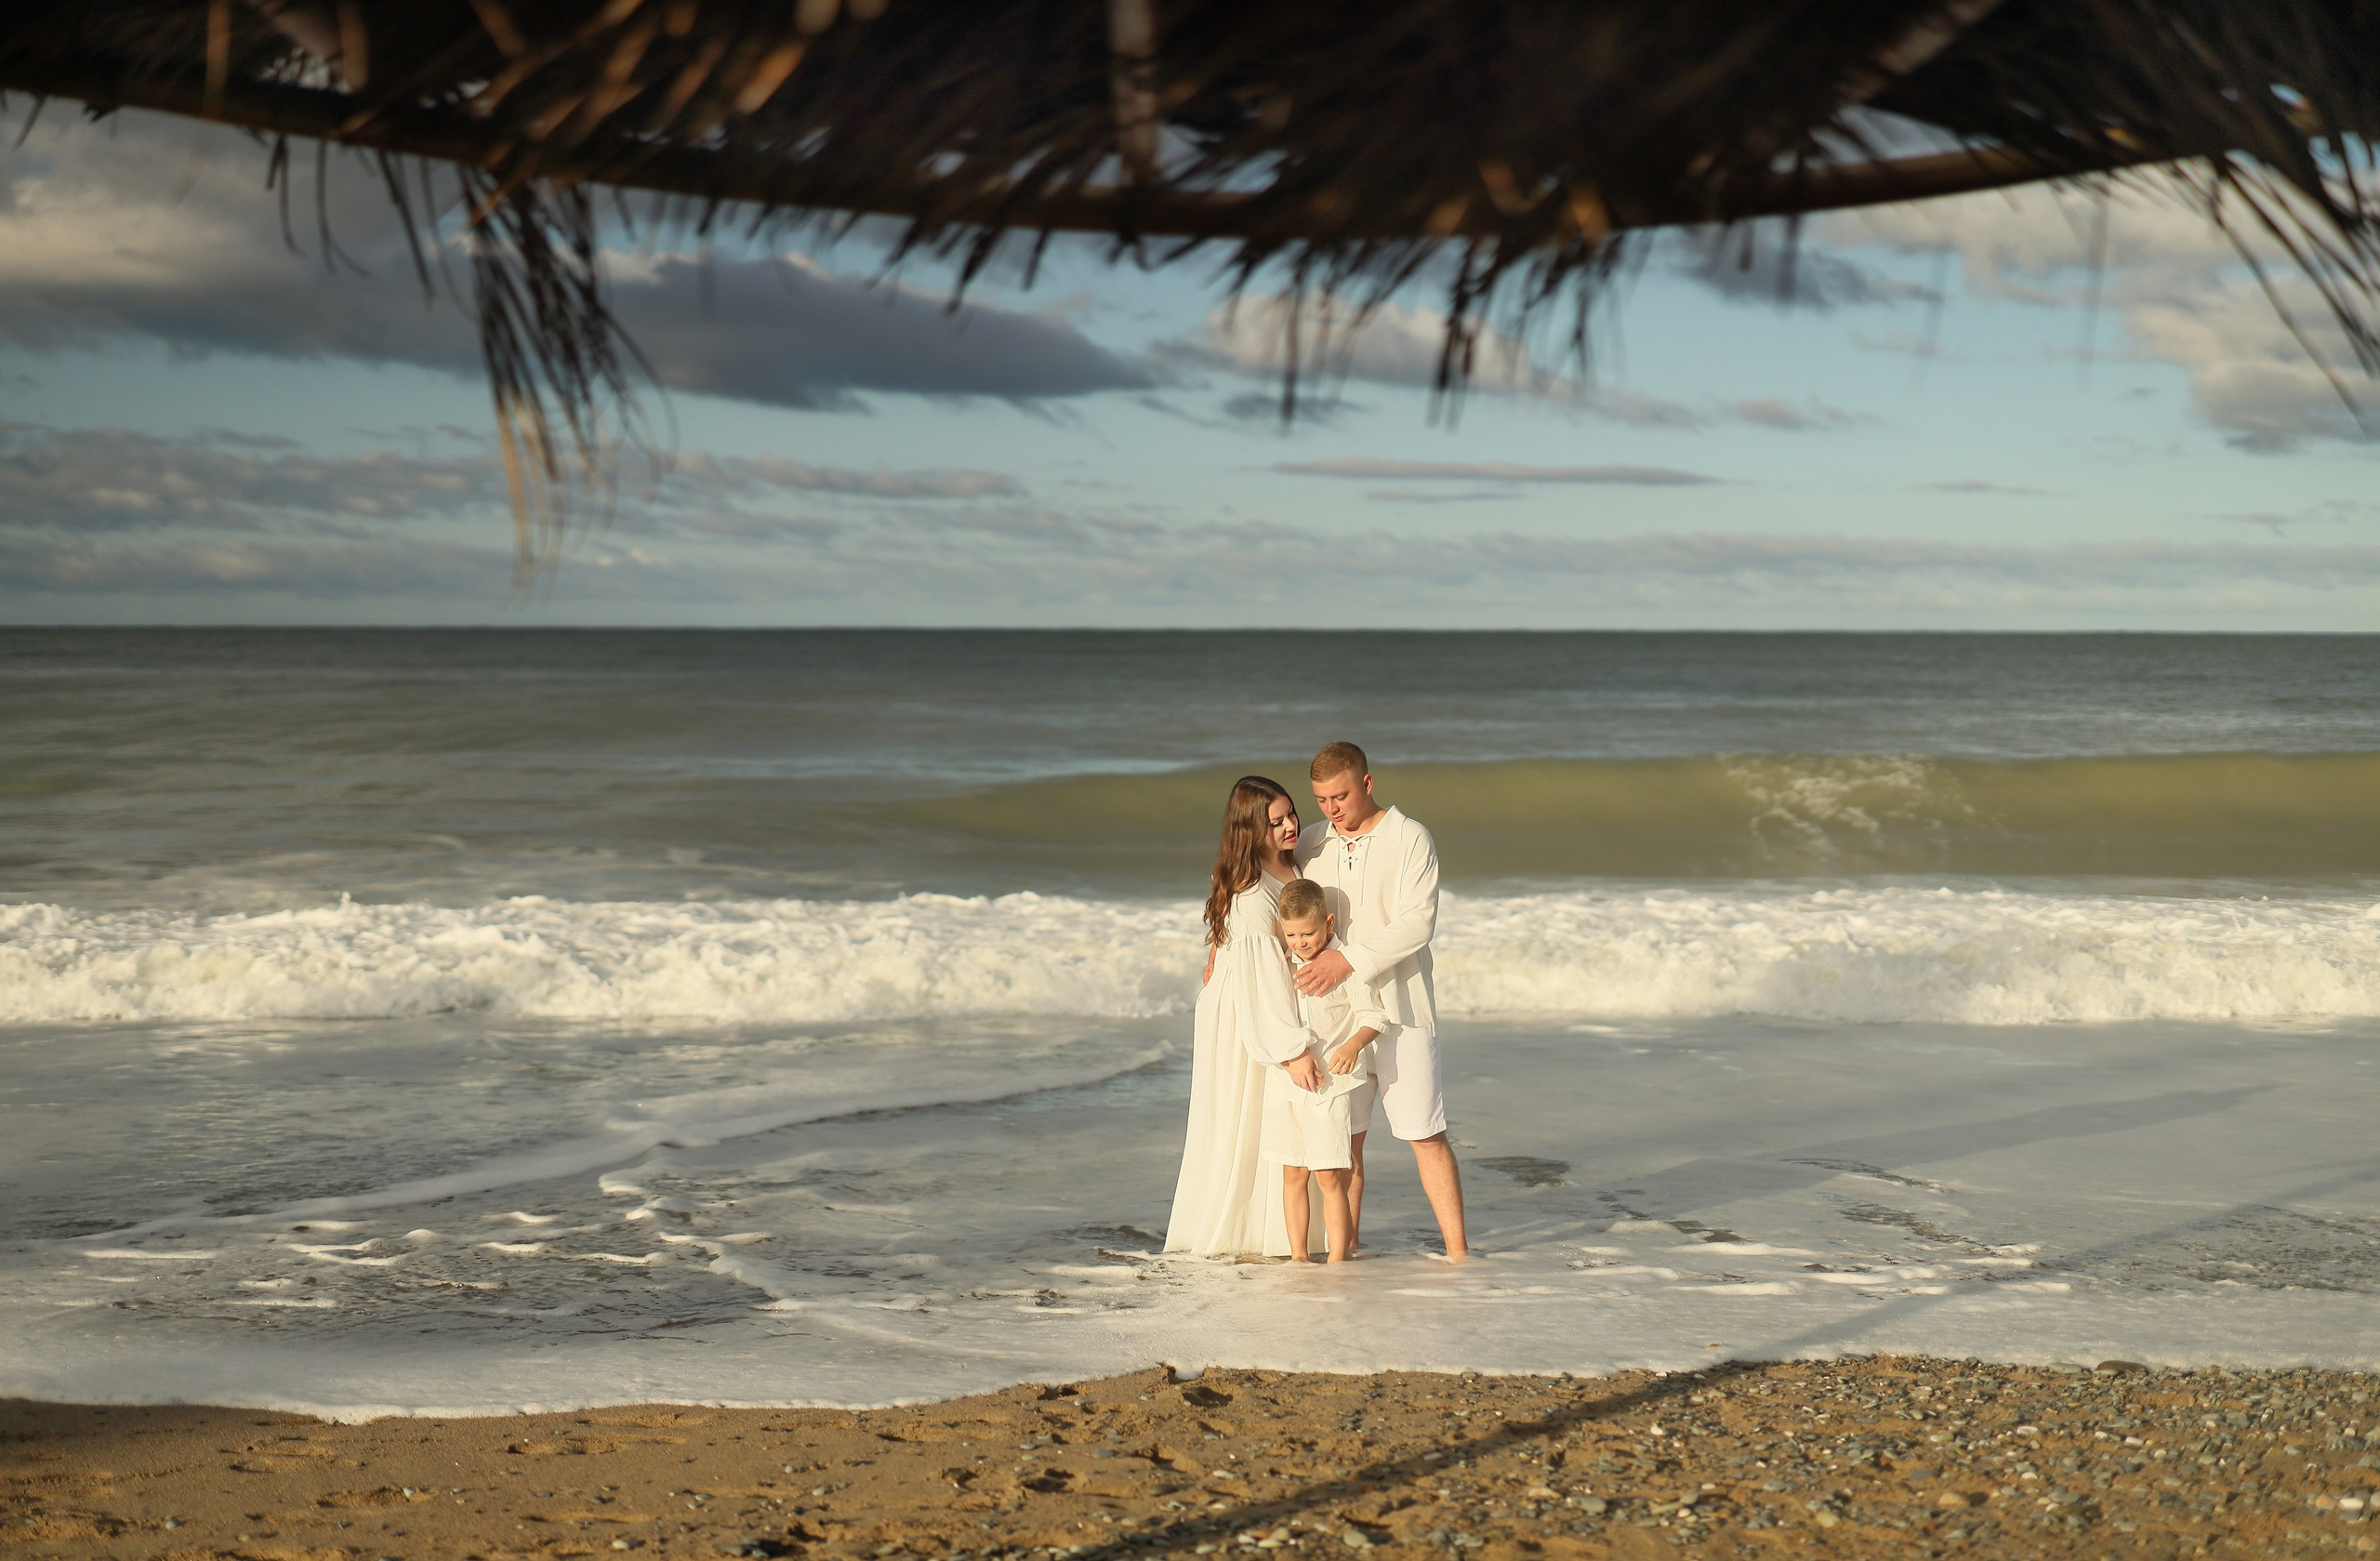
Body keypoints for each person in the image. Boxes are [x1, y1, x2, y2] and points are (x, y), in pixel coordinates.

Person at [1292, 740, 1470, 1263]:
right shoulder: (1311, 843)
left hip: (1402, 1009)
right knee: (1345, 1142)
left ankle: (1459, 1255)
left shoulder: (1410, 837)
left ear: (1366, 784)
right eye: (1322, 800)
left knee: (1425, 1132)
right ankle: (1347, 1253)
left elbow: (1418, 922)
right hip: (1335, 1018)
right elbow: (1270, 894)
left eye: (1340, 796)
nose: (1332, 809)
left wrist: (1347, 961)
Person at [1164, 775, 1326, 1255]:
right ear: (1251, 832)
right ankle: (1251, 1236)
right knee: (1250, 1117)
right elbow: (1265, 977)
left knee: (1263, 1120)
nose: (1290, 826)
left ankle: (1278, 1234)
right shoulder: (1254, 893)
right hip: (1245, 1014)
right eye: (1275, 823)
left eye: (1291, 814)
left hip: (1255, 1003)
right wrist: (1292, 1050)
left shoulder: (1289, 862)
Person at [1263, 878, 1382, 1263]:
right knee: (1293, 1174)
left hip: (1330, 1087)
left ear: (1328, 924)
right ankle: (1298, 1257)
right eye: (1292, 934)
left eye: (1309, 933)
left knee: (1330, 1176)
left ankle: (1337, 1260)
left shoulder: (1344, 965)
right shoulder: (1280, 964)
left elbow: (1374, 1016)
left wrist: (1353, 1044)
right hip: (1289, 1085)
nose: (1300, 942)